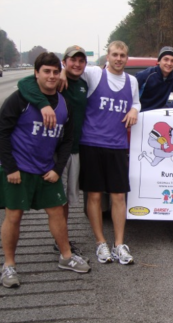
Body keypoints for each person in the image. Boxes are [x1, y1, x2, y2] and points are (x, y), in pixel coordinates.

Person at [0, 53, 91, 288]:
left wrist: (58, 169)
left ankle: (66, 256)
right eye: (46, 71)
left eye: (54, 71)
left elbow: (67, 140)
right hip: (18, 170)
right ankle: (9, 265)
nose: (51, 76)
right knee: (14, 216)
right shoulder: (20, 99)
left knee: (57, 213)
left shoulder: (63, 103)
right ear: (36, 74)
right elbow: (2, 133)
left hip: (46, 170)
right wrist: (10, 167)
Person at [17, 45, 89, 260]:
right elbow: (25, 82)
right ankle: (61, 243)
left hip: (74, 148)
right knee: (57, 200)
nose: (76, 64)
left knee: (66, 198)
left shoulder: (86, 83)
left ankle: (61, 240)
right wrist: (43, 103)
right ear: (65, 62)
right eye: (71, 60)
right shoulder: (56, 80)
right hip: (54, 150)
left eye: (81, 60)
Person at [79, 41, 140, 265]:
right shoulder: (95, 74)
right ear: (108, 56)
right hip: (92, 144)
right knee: (94, 196)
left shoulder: (131, 81)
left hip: (117, 145)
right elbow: (69, 66)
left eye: (123, 55)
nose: (119, 59)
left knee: (118, 196)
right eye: (115, 54)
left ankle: (119, 244)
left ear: (127, 58)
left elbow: (137, 102)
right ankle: (100, 243)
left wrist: (134, 109)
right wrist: (65, 74)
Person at [135, 46, 173, 111]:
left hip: (161, 115)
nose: (169, 63)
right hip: (142, 115)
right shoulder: (145, 75)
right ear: (159, 61)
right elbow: (130, 96)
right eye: (166, 59)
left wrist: (166, 108)